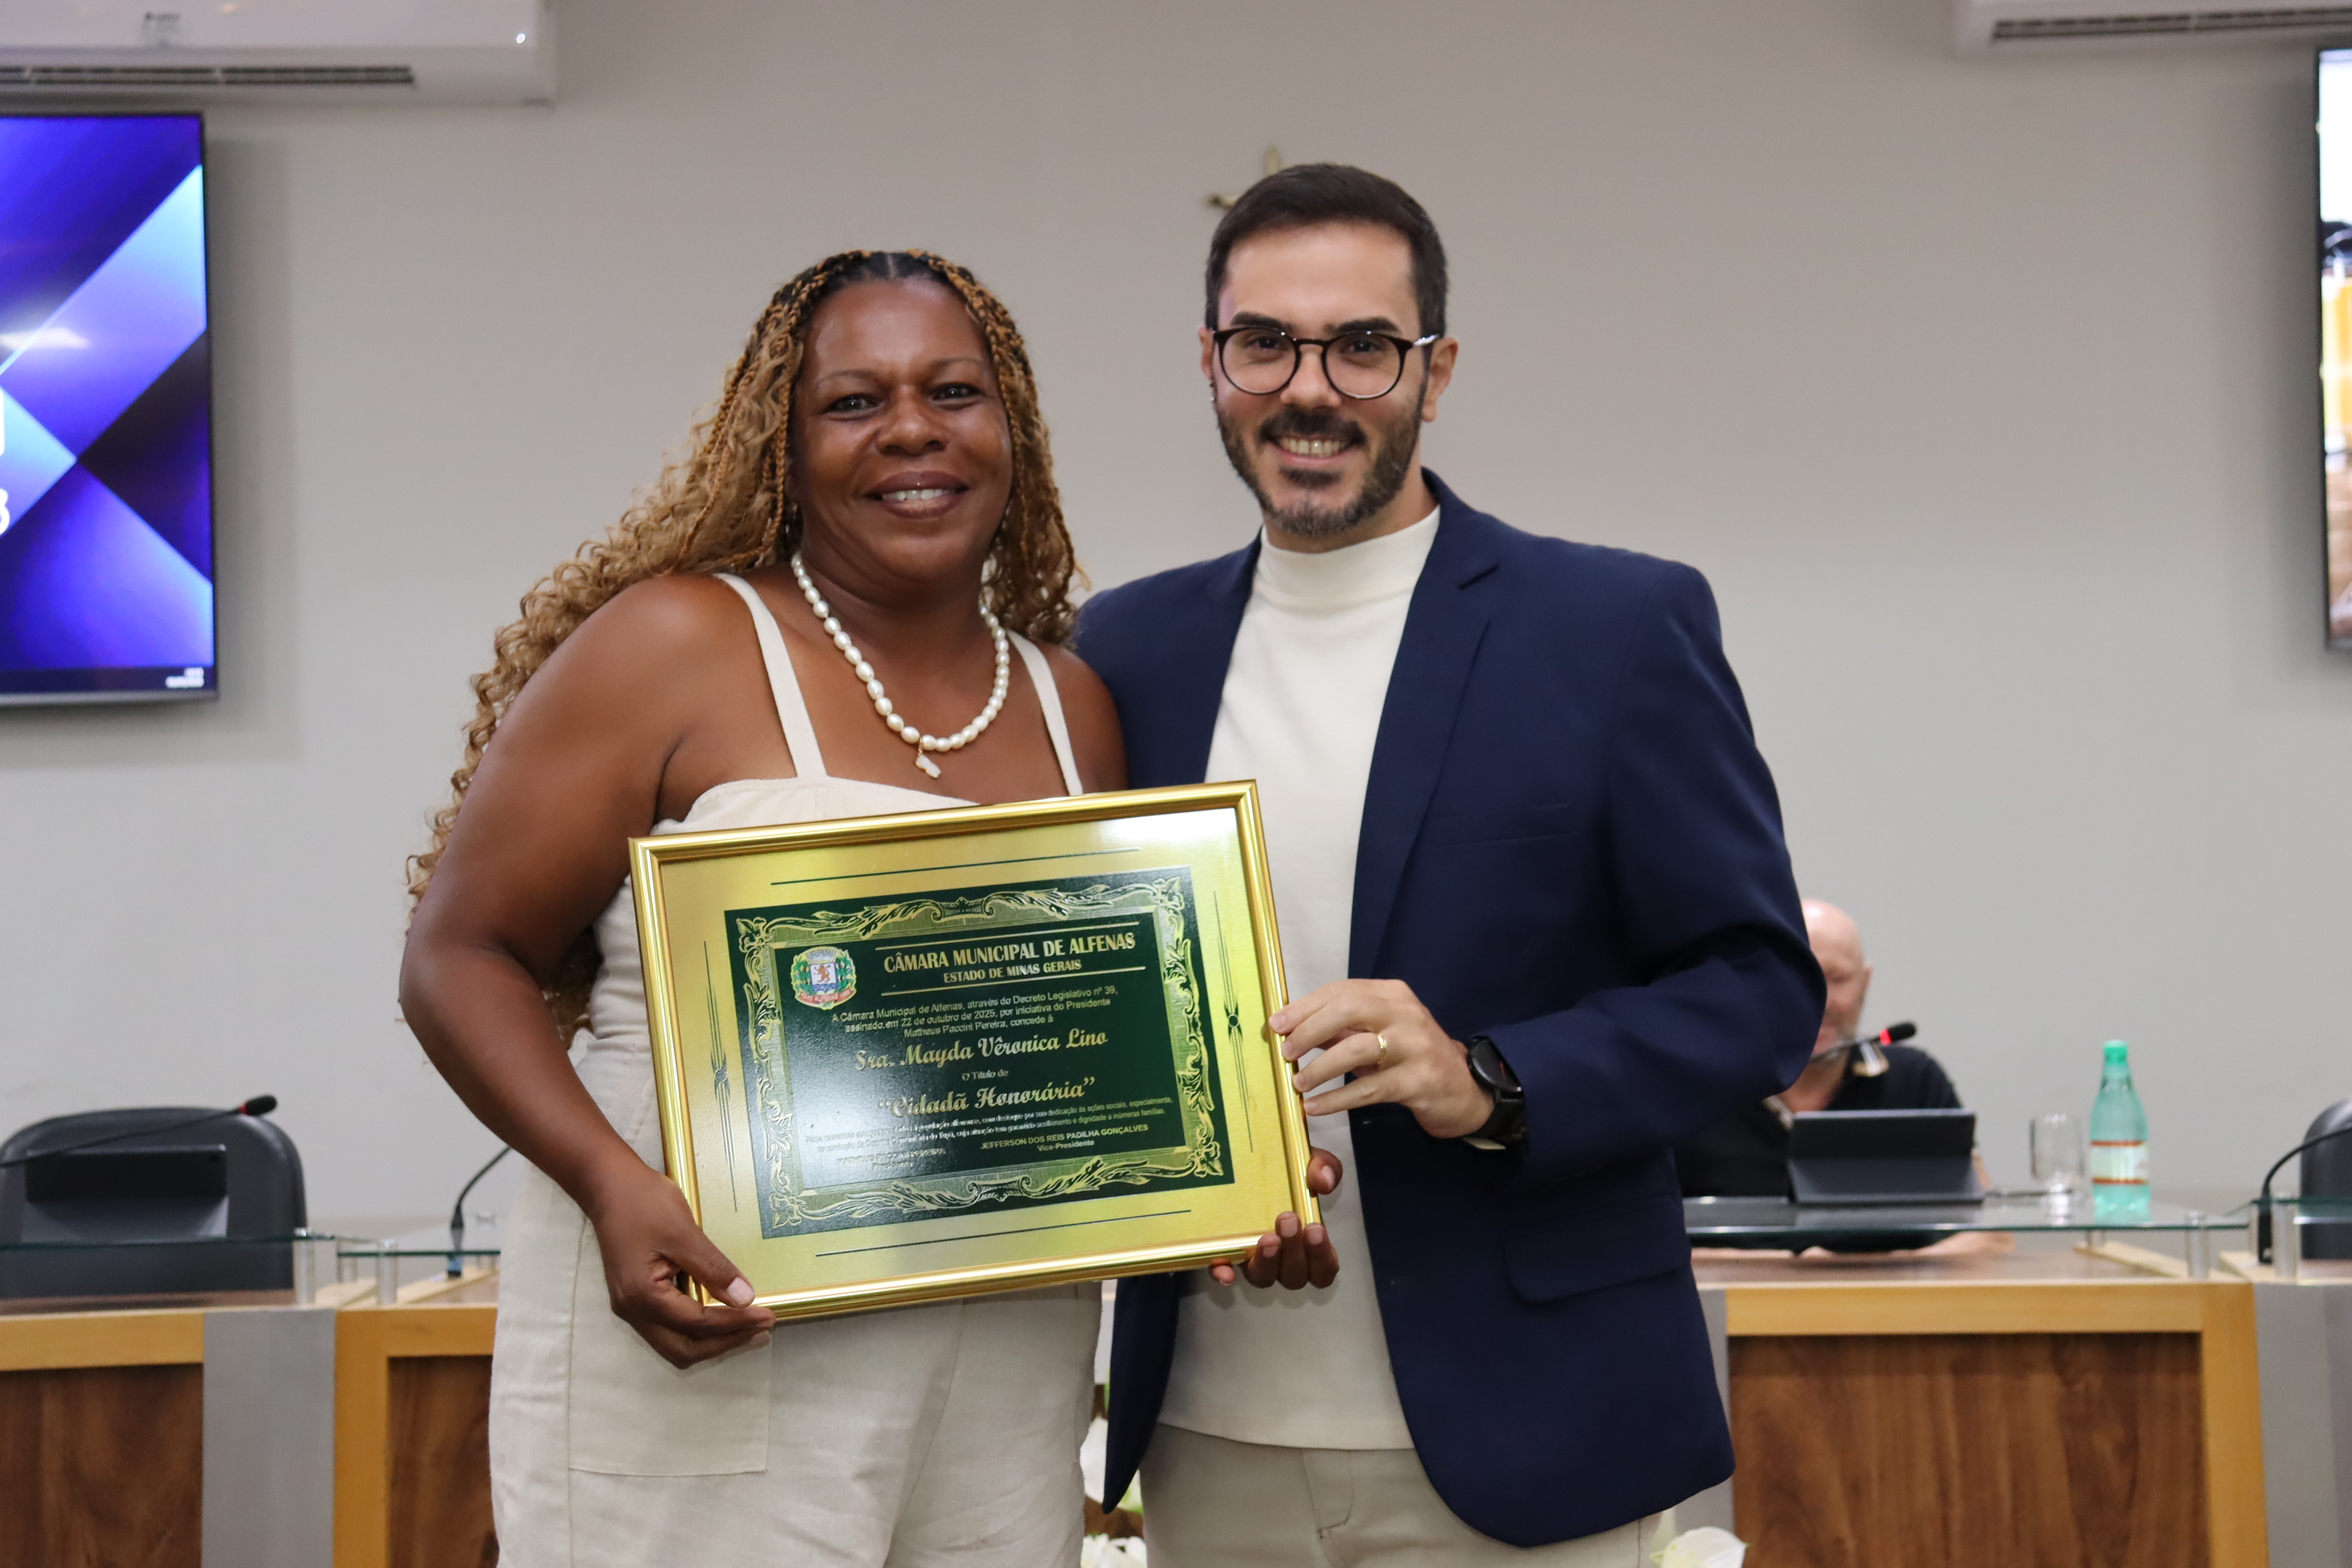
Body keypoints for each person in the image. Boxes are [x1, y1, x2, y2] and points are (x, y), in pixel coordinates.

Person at [1076, 165, 1822, 1564]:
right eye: (1265, 343)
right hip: (1206, 1428)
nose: (1312, 387)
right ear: (1211, 361)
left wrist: (1488, 1076)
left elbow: (1757, 986)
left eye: (1364, 344)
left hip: (1535, 1425)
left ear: (1437, 366)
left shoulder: (1611, 625)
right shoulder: (1123, 649)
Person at [401, 251, 1134, 1568]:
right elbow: (463, 954)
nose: (913, 427)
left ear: (1008, 428)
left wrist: (1222, 1167)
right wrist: (613, 1187)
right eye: (855, 401)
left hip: (1003, 1353)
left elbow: (1090, 1035)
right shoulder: (673, 642)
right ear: (783, 450)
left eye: (953, 390)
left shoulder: (1069, 704)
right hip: (706, 1308)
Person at [1675, 899, 2010, 1256]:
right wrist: (1795, 1274)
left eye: (1836, 979)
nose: (1818, 1001)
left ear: (1865, 983)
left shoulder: (1914, 1081)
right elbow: (1652, 1249)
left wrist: (1867, 1277)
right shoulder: (1696, 1089)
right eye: (1796, 980)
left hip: (1889, 1309)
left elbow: (1993, 1239)